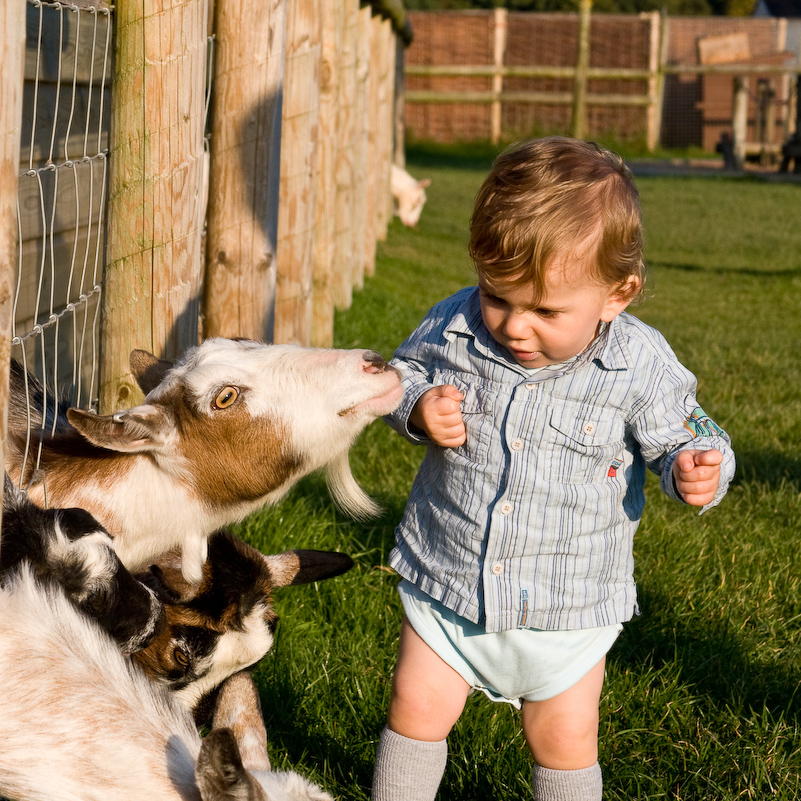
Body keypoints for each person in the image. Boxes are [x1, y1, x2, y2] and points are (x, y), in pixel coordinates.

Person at [372, 136, 735, 801]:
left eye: (544, 310)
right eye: (497, 296)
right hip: (447, 584)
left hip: (569, 606)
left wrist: (694, 466)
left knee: (564, 737)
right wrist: (418, 406)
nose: (513, 325)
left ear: (614, 295)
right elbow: (400, 376)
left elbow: (690, 433)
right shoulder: (454, 325)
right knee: (415, 709)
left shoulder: (638, 364)